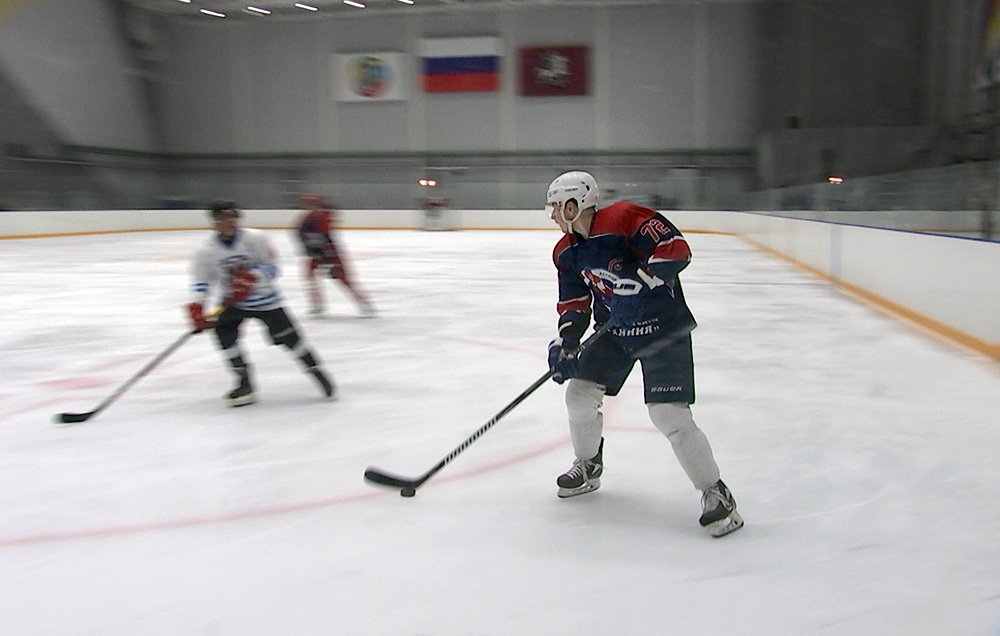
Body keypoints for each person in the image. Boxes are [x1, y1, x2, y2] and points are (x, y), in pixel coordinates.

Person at [544, 171, 743, 538]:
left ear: (573, 205)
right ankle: (589, 466)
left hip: (662, 327)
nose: (553, 216)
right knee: (579, 394)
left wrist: (646, 281)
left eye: (556, 208)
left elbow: (675, 248)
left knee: (668, 414)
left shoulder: (622, 219)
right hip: (616, 330)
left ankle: (717, 493)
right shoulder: (566, 252)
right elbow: (574, 302)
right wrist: (566, 343)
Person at [187, 200, 336, 407]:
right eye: (223, 217)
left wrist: (252, 278)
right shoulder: (207, 252)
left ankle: (316, 370)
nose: (229, 221)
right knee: (224, 337)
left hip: (267, 301)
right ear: (215, 222)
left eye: (232, 216)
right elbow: (202, 282)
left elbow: (274, 268)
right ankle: (244, 382)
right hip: (233, 303)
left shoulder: (256, 239)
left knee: (292, 340)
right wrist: (197, 307)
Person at [295, 194, 375, 317]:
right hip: (318, 252)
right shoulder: (309, 217)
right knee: (310, 276)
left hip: (328, 251)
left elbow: (324, 234)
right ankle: (317, 304)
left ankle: (364, 303)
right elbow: (301, 234)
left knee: (343, 279)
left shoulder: (320, 216)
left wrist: (328, 256)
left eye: (311, 204)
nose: (308, 206)